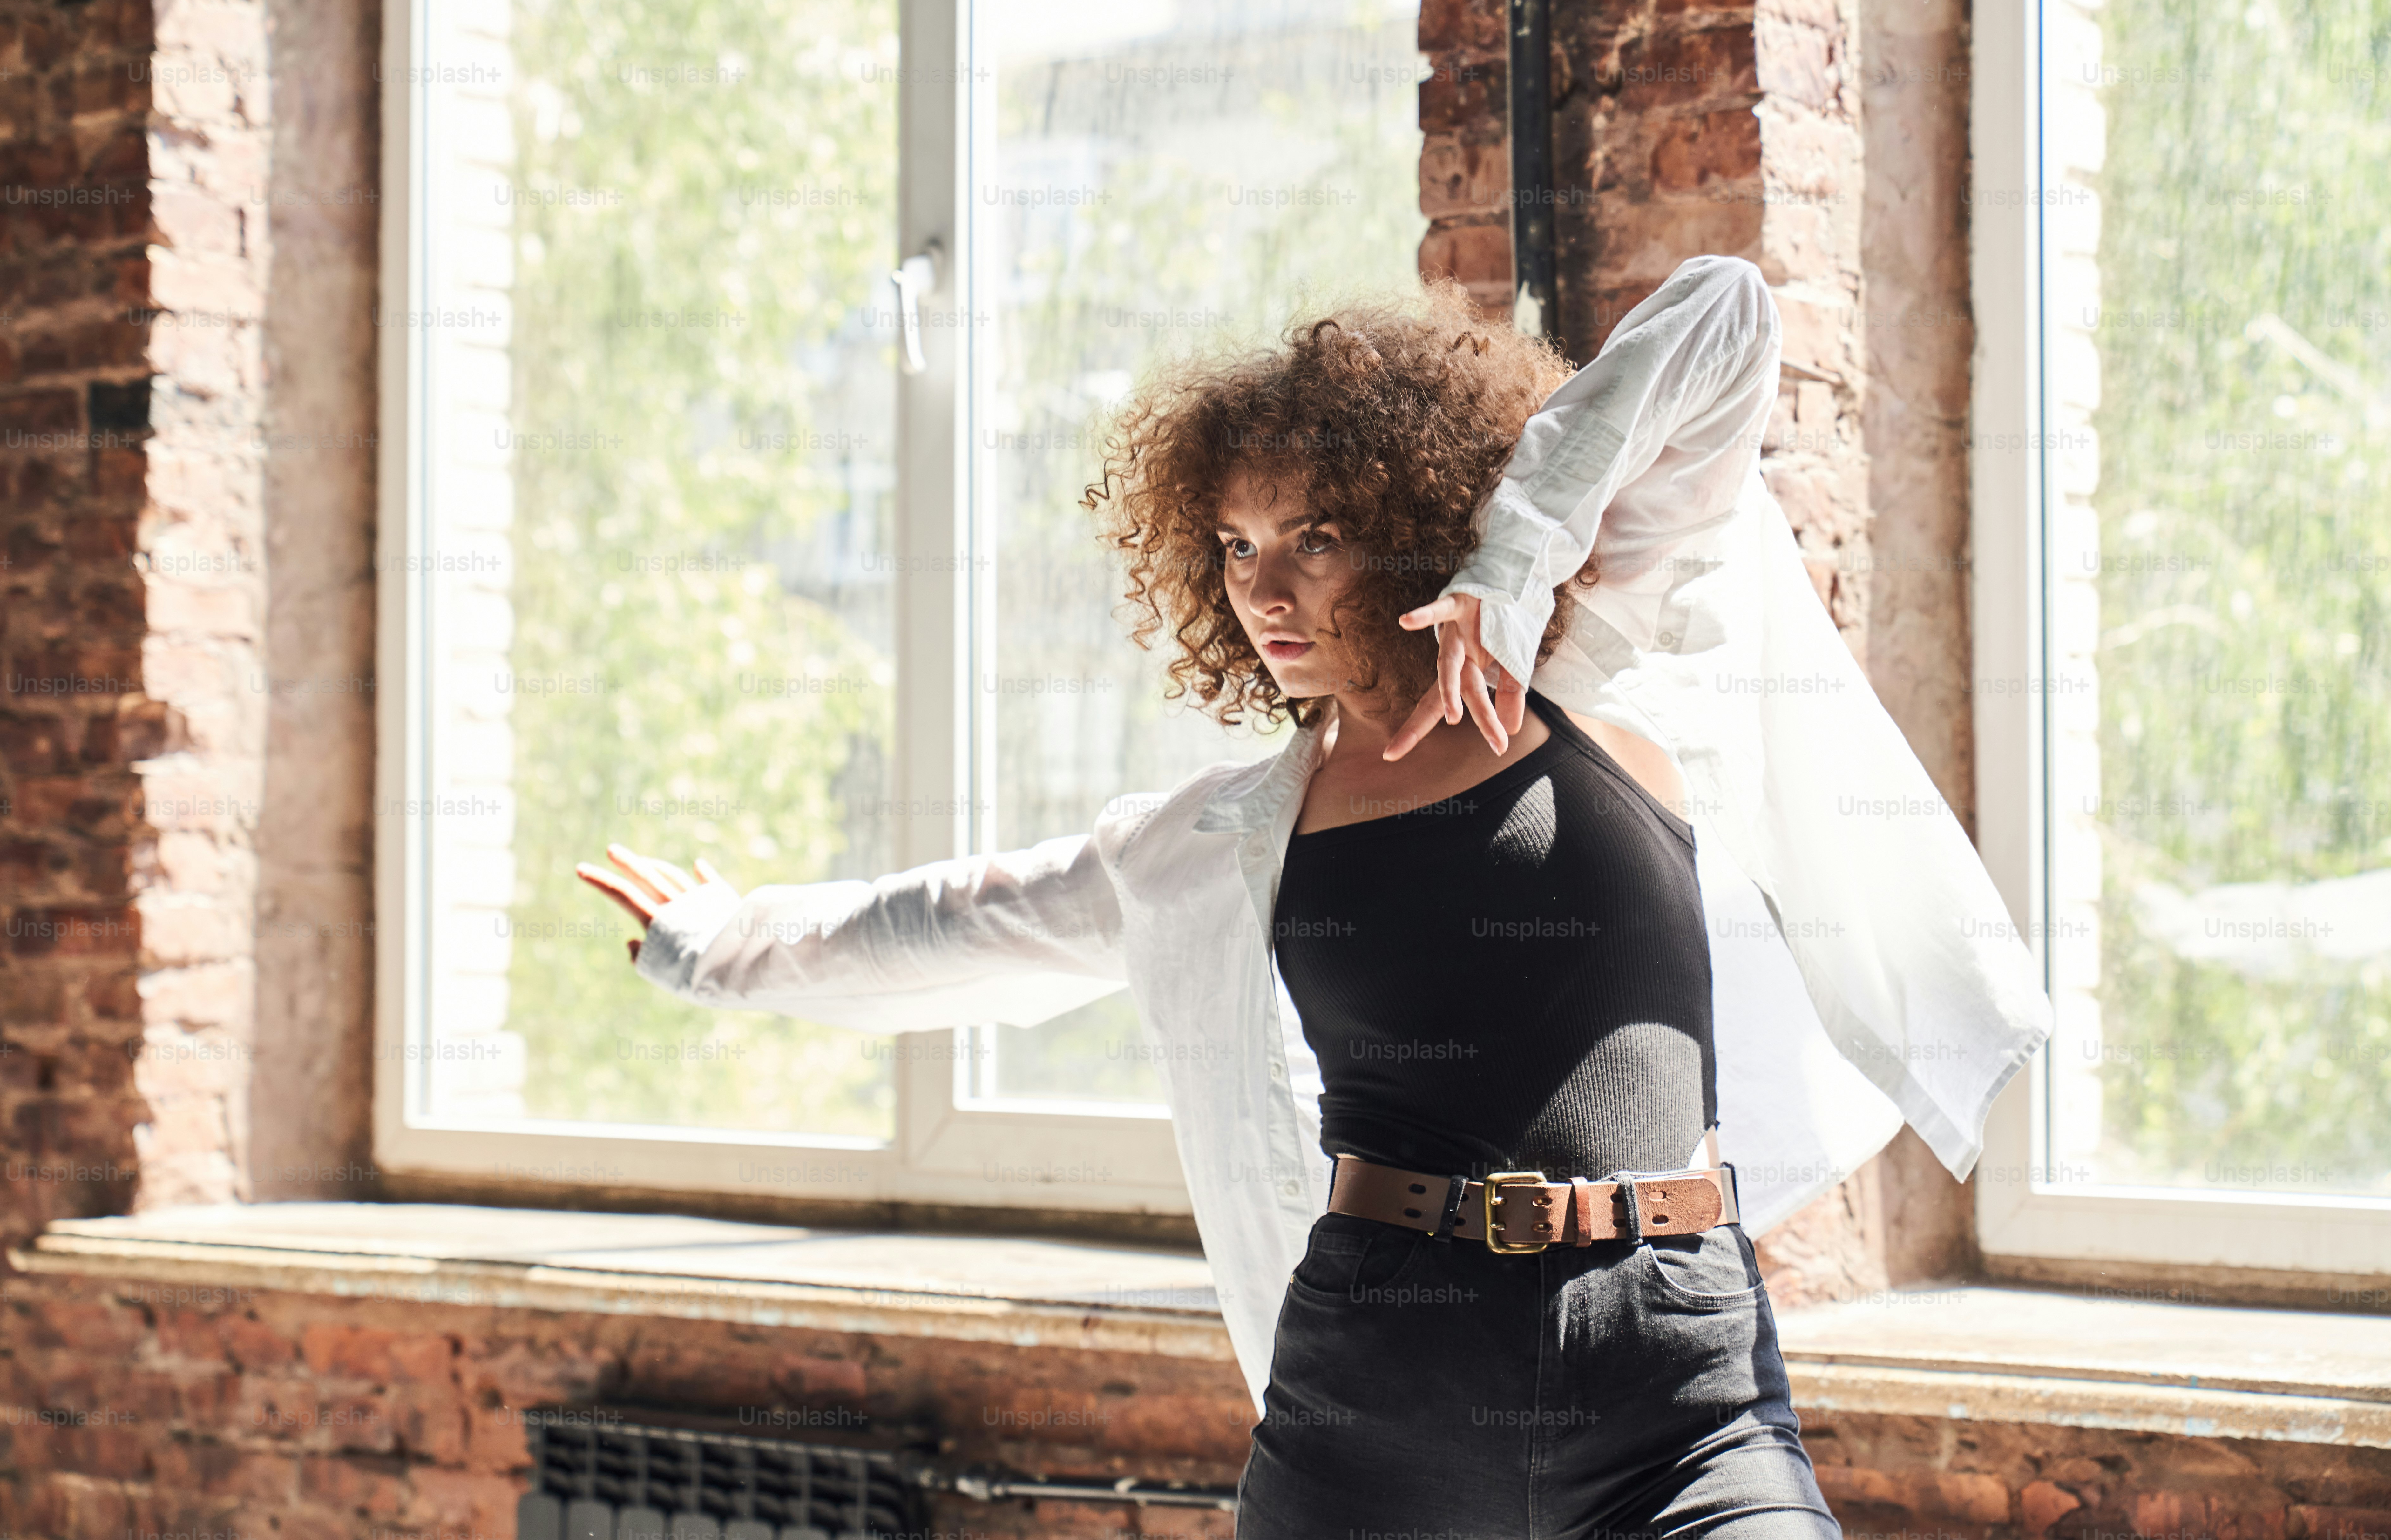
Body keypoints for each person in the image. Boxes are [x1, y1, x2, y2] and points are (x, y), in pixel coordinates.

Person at [579, 256, 2051, 1537]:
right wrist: (714, 943)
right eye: (1234, 547)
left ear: (1422, 516)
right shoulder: (1221, 845)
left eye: (1315, 537)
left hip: (1679, 1382)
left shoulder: (1597, 668)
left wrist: (1521, 558)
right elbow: (963, 922)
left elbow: (1727, 318)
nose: (1264, 590)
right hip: (1384, 1398)